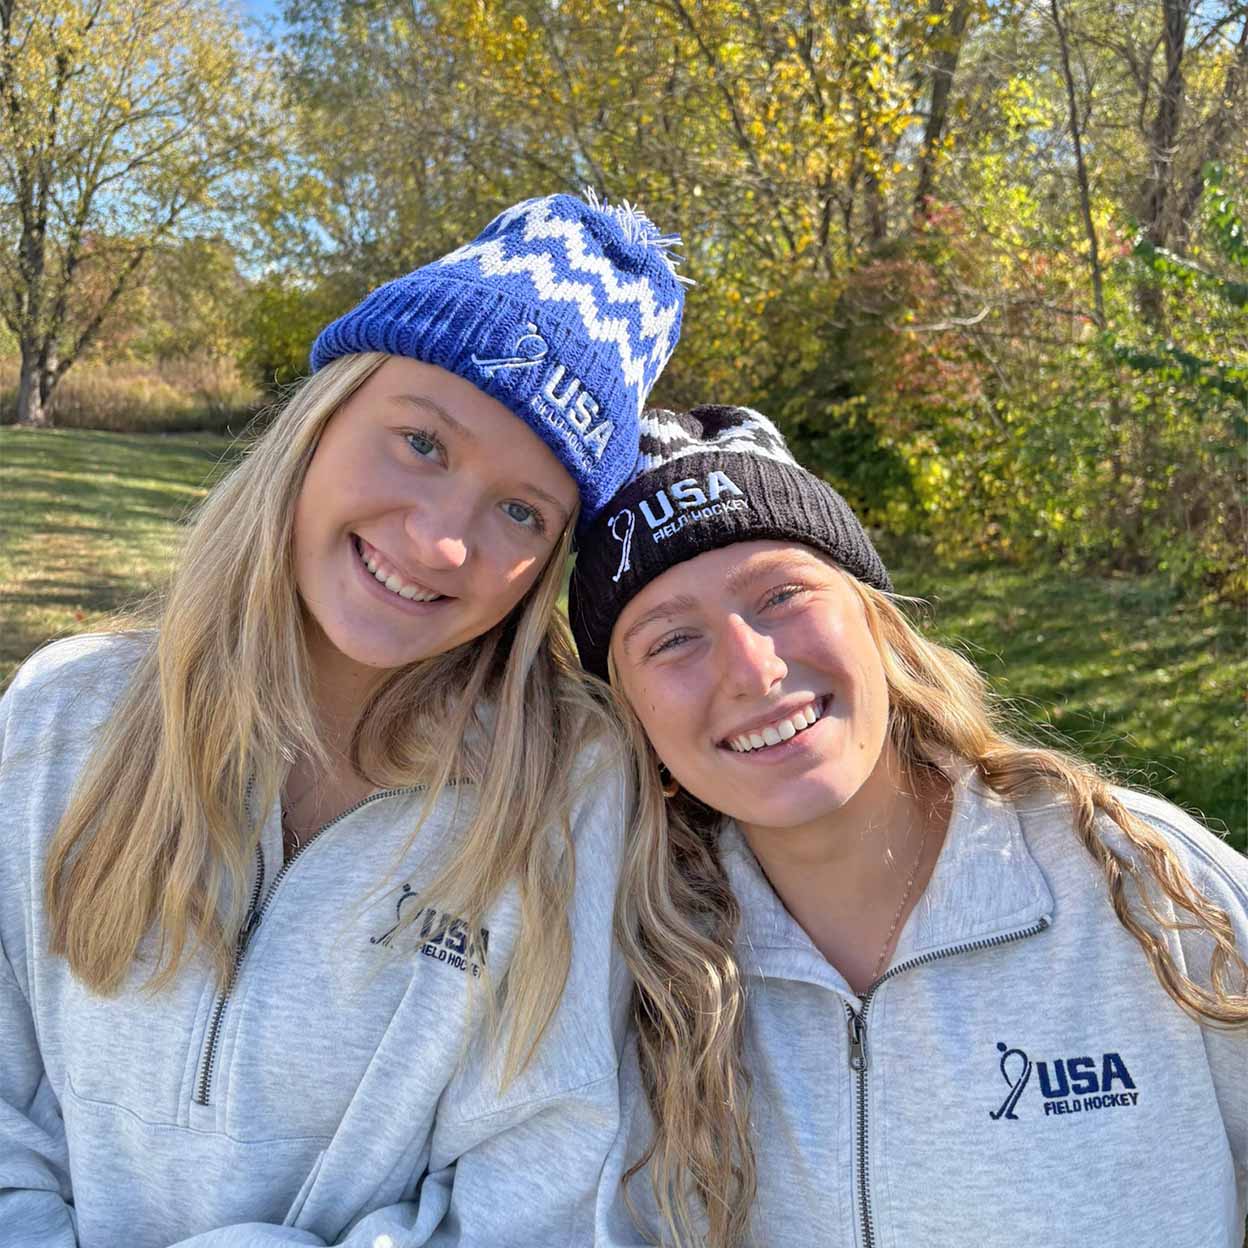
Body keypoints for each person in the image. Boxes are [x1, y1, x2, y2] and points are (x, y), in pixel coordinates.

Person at [0, 191, 688, 1247]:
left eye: (521, 511)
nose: (441, 541)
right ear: (320, 424)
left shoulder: (565, 791)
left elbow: (544, 1181)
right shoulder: (63, 719)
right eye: (421, 441)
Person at [567, 404, 1248, 1248]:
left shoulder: (1146, 886)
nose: (753, 668)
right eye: (671, 640)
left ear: (876, 619)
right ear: (631, 720)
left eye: (781, 595)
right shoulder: (644, 975)